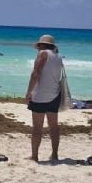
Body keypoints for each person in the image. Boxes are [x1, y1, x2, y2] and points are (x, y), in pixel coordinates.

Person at [25, 34, 65, 162]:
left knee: (37, 127)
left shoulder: (43, 54)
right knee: (54, 126)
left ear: (41, 45)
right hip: (55, 94)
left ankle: (34, 156)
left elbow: (35, 74)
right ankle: (55, 154)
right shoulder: (58, 56)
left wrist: (28, 92)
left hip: (40, 96)